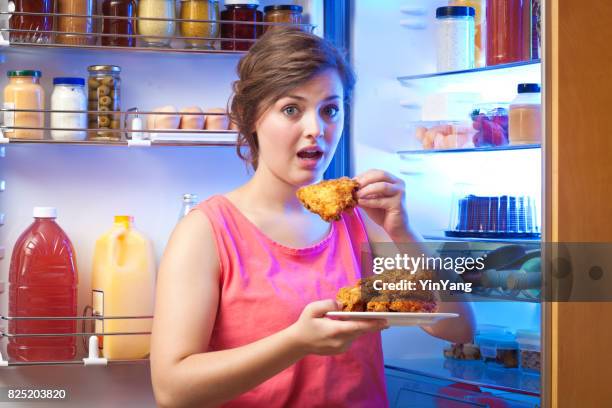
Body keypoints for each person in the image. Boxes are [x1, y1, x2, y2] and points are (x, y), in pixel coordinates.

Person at [150, 27, 475, 408]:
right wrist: (296, 342)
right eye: (291, 109)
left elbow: (458, 328)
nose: (316, 129)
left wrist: (401, 231)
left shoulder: (363, 221)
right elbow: (173, 391)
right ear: (252, 116)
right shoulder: (206, 232)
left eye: (329, 109)